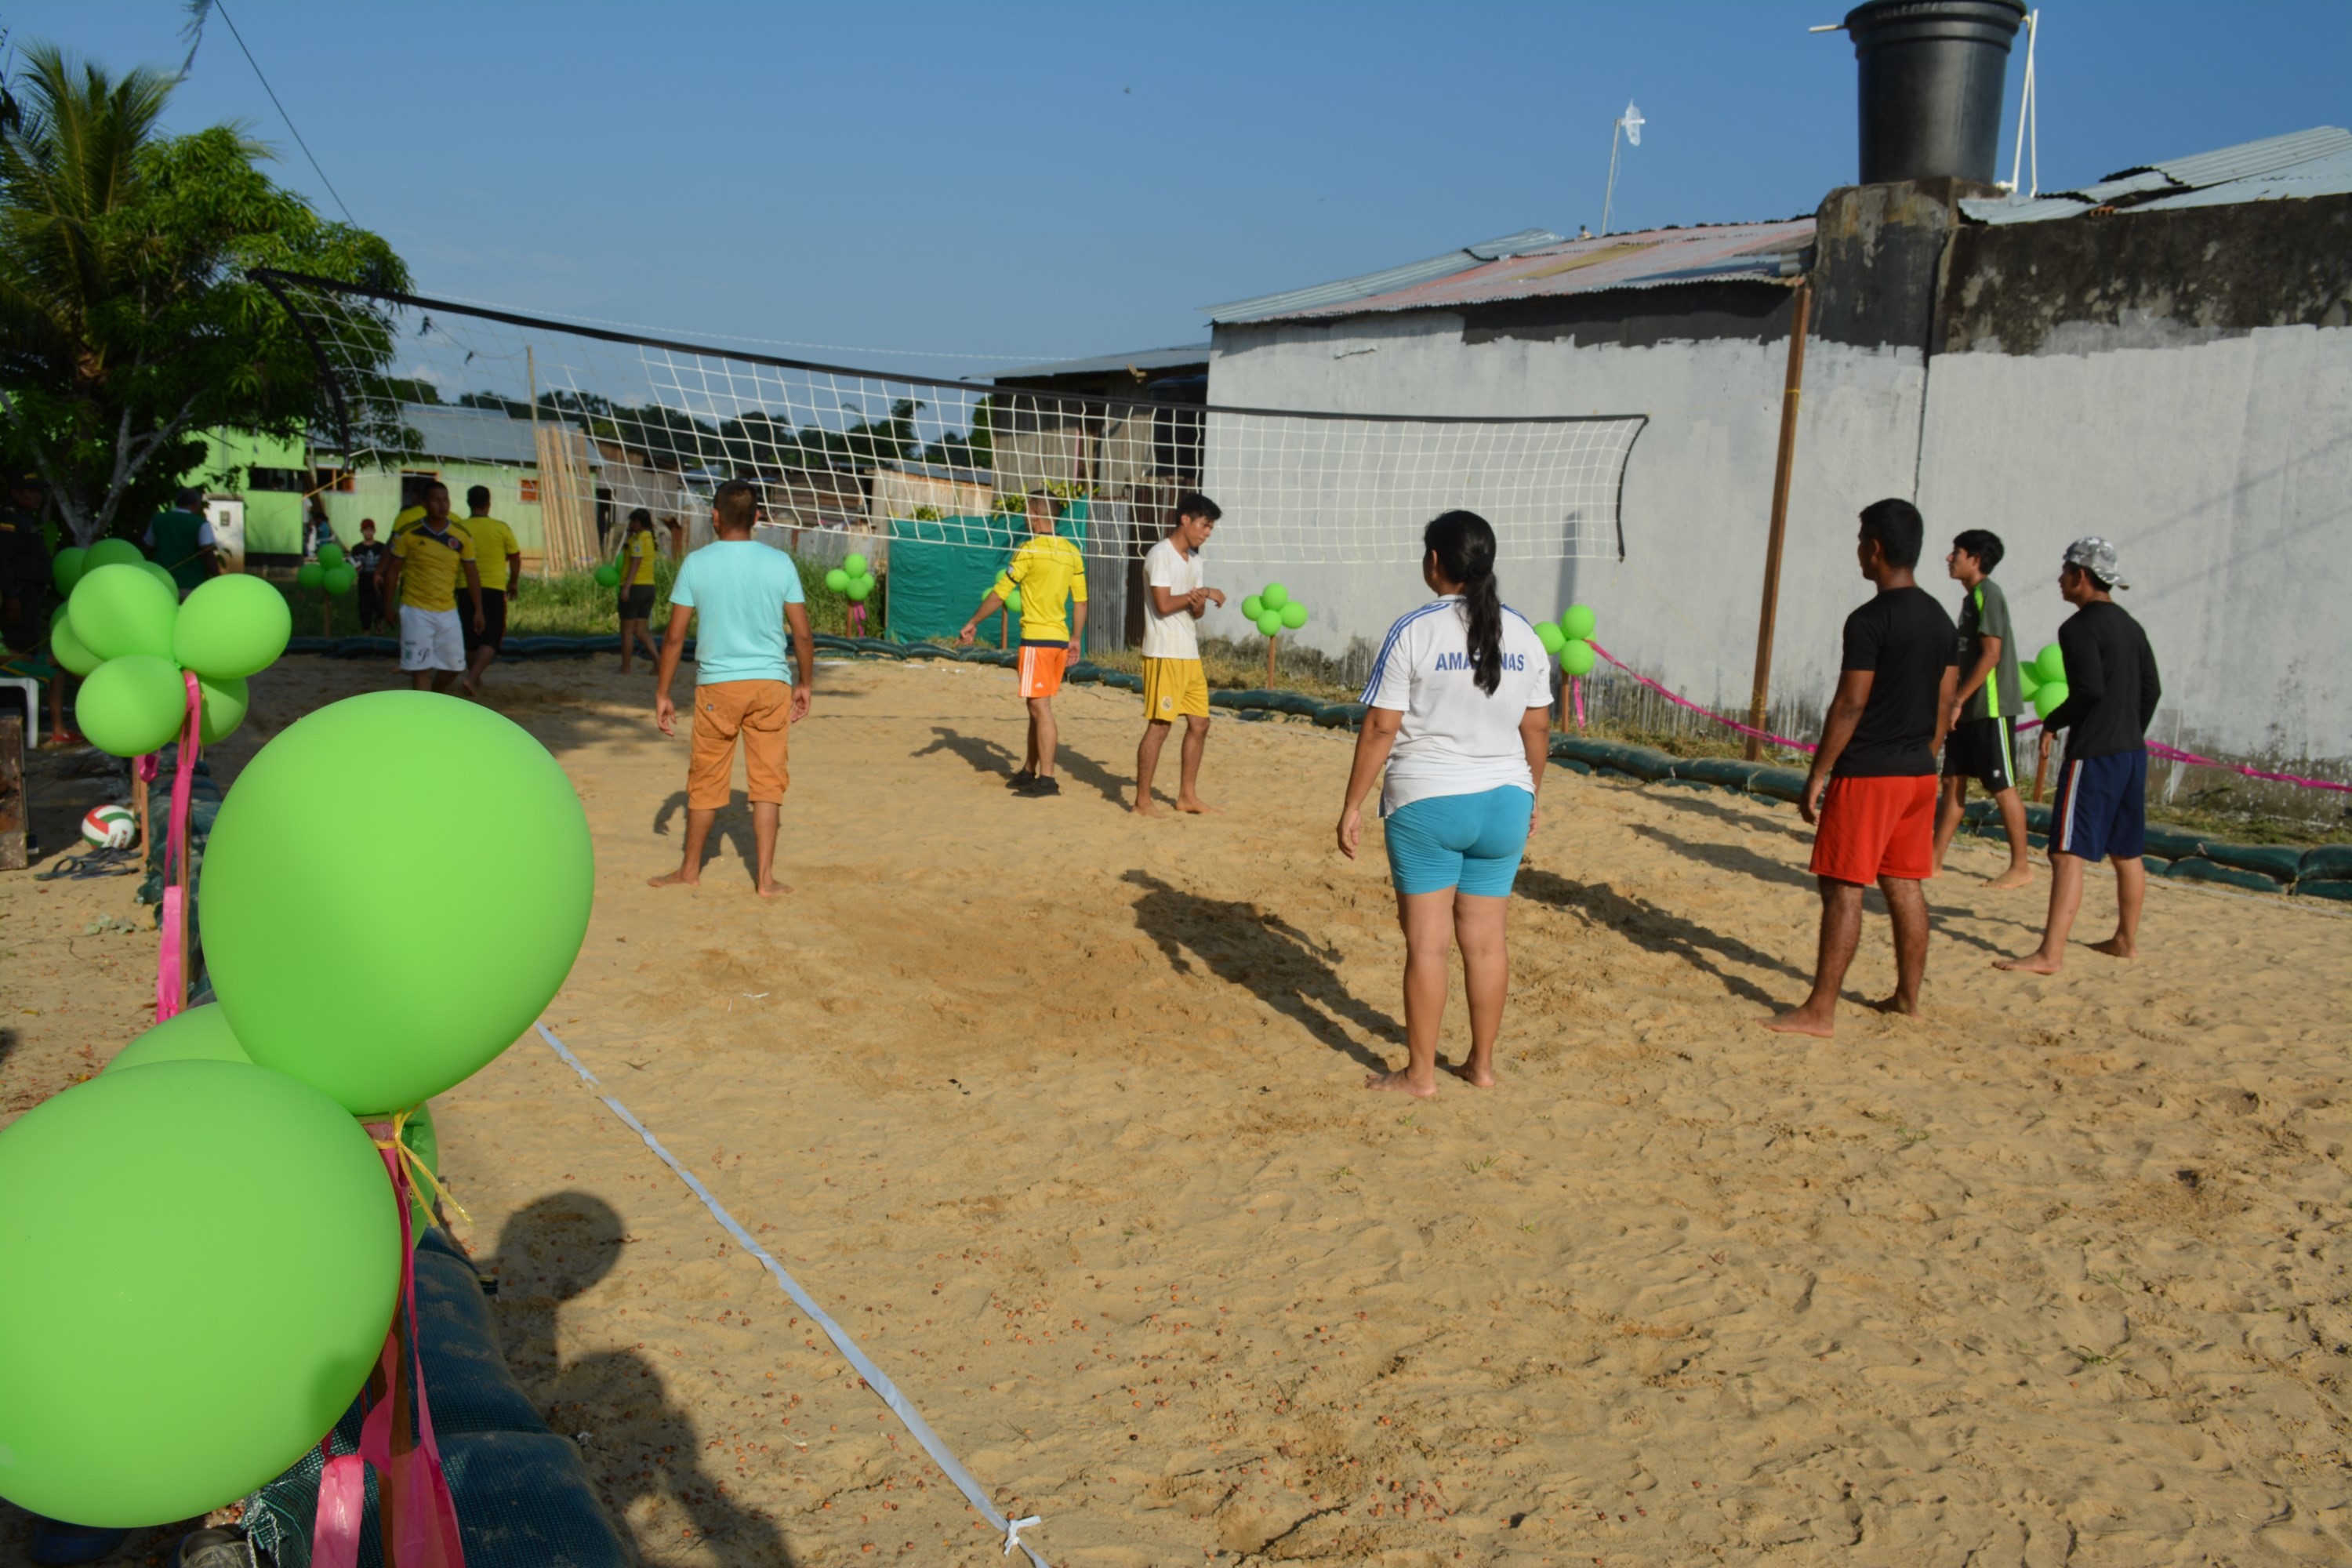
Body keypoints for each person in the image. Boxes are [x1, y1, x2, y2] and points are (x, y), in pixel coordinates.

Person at [1336, 510, 1554, 1098]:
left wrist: (1353, 803)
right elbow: (1538, 730)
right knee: (1486, 944)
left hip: (1429, 801)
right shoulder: (1525, 634)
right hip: (1506, 800)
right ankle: (1481, 1067)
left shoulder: (1415, 629)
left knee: (1427, 945)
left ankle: (1421, 1075)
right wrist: (1531, 793)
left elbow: (1382, 727)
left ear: (1435, 561)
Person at [1766, 498, 1958, 1038]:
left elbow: (1850, 704)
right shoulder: (1942, 619)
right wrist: (1926, 754)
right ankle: (1908, 1000)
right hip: (1919, 772)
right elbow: (1945, 706)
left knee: (1844, 888)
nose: (1857, 552)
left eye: (1860, 543)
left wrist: (1818, 773)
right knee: (1905, 885)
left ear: (1875, 548)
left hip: (1870, 773)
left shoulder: (1870, 619)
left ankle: (1820, 1011)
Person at [1998, 538, 2161, 974]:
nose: (2059, 579)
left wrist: (2054, 722)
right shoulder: (2131, 626)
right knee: (2127, 852)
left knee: (2066, 852)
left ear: (2081, 576)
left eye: (2065, 570)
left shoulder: (2078, 628)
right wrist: (2130, 730)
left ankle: (2050, 954)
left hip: (2095, 753)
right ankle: (2125, 941)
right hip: (2131, 752)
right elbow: (2152, 690)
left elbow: (2089, 690)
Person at [651, 479, 812, 896]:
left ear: (715, 517)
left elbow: (673, 638)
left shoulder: (696, 563)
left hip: (717, 688)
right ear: (758, 517)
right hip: (770, 685)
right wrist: (806, 683)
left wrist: (663, 692)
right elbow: (803, 635)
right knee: (768, 785)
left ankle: (689, 871)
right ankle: (765, 880)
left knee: (705, 782)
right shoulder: (780, 563)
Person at [956, 490, 1087, 797]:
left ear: (1036, 515)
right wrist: (1076, 639)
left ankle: (1048, 780)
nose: (1026, 517)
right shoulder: (1071, 551)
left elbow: (1000, 593)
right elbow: (1080, 601)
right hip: (1058, 640)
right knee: (1036, 707)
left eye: (1028, 511)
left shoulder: (1029, 550)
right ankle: (1029, 771)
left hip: (1037, 640)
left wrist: (973, 622)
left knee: (1041, 708)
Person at [1931, 528, 2033, 887]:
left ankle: (2021, 866)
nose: (1949, 558)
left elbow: (1992, 654)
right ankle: (1934, 860)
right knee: (1952, 781)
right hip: (1968, 706)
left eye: (1955, 552)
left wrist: (1958, 699)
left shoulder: (1989, 594)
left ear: (1975, 559)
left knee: (2001, 785)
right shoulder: (1970, 598)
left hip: (1990, 707)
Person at [1134, 492, 1225, 815]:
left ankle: (1187, 796)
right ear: (1185, 519)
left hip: (1189, 652)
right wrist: (1203, 593)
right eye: (1204, 524)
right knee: (1160, 726)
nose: (1207, 532)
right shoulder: (1161, 554)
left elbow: (1193, 612)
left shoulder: (1195, 560)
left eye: (1211, 527)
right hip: (1164, 653)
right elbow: (1163, 604)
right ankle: (1142, 801)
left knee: (1200, 724)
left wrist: (1200, 601)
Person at [380, 481, 483, 694]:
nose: (442, 505)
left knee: (454, 668)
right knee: (420, 668)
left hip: (447, 611)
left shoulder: (461, 535)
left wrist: (478, 610)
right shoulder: (409, 533)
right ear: (424, 504)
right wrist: (387, 605)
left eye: (445, 499)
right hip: (415, 610)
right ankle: (423, 711)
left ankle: (432, 697)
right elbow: (392, 571)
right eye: (436, 500)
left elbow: (472, 574)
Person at [456, 485, 523, 697]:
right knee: (492, 636)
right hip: (493, 588)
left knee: (471, 634)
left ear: (468, 502)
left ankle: (475, 678)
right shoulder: (500, 528)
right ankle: (473, 677)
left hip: (464, 586)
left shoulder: (459, 528)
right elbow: (515, 558)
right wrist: (513, 582)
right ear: (488, 504)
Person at [144, 486, 220, 596]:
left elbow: (149, 547)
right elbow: (208, 554)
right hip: (191, 585)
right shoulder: (201, 524)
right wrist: (216, 576)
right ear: (195, 504)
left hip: (161, 584)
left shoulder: (158, 520)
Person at [616, 509, 661, 674]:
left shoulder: (638, 540)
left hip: (635, 587)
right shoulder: (650, 539)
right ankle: (658, 660)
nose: (630, 525)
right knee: (641, 630)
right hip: (649, 586)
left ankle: (625, 667)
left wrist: (626, 587)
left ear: (638, 523)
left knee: (627, 631)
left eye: (632, 522)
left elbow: (635, 562)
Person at [348, 518, 387, 633]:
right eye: (365, 530)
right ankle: (366, 631)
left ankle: (379, 624)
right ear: (362, 531)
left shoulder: (381, 547)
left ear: (374, 531)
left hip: (379, 583)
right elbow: (352, 564)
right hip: (364, 583)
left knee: (380, 607)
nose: (368, 532)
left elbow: (386, 563)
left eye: (370, 530)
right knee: (365, 609)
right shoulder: (357, 549)